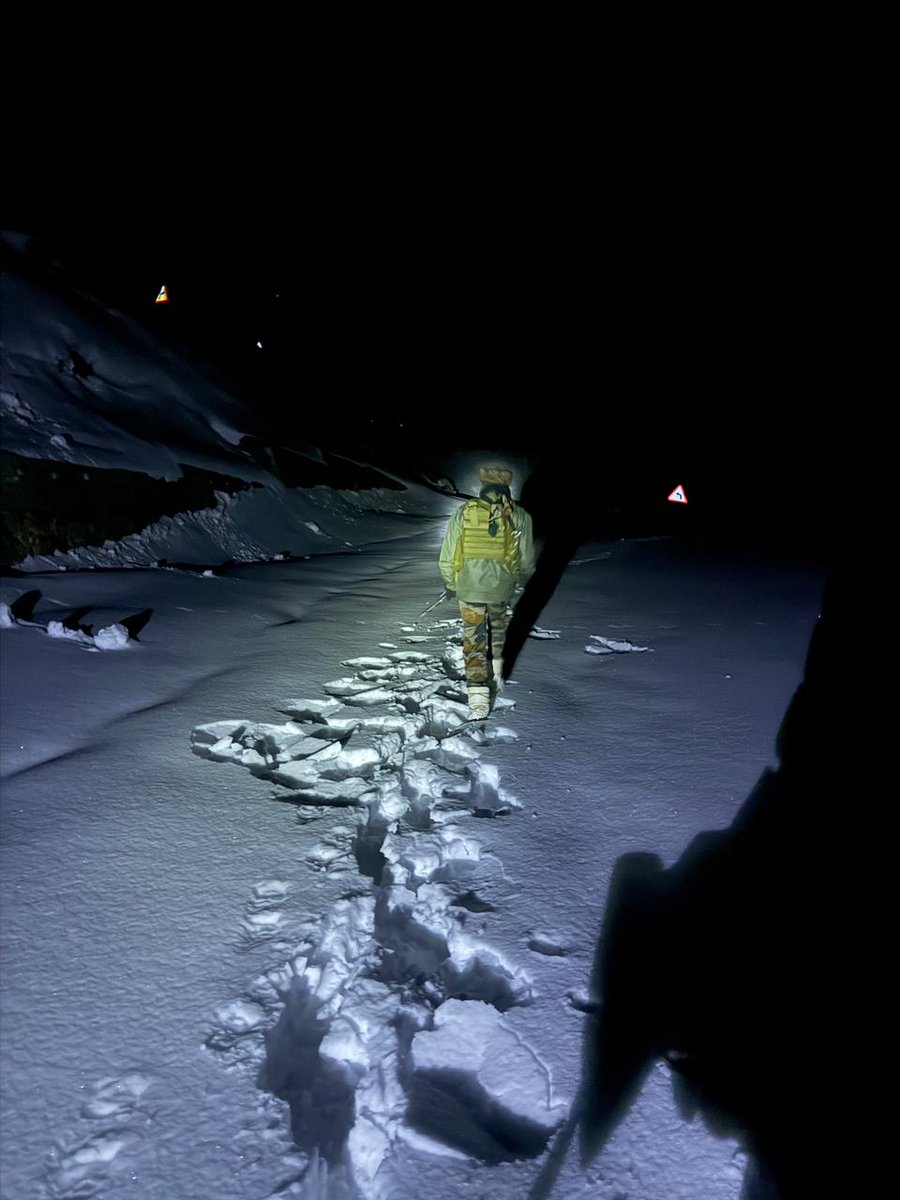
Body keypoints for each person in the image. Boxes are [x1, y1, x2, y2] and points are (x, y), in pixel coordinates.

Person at [438, 465, 535, 718]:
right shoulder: (521, 516)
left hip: (469, 589)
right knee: (499, 632)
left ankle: (478, 699)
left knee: (473, 640)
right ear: (506, 487)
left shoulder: (463, 513)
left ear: (483, 487)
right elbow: (526, 561)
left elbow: (447, 556)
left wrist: (450, 583)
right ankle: (498, 675)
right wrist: (521, 579)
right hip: (501, 589)